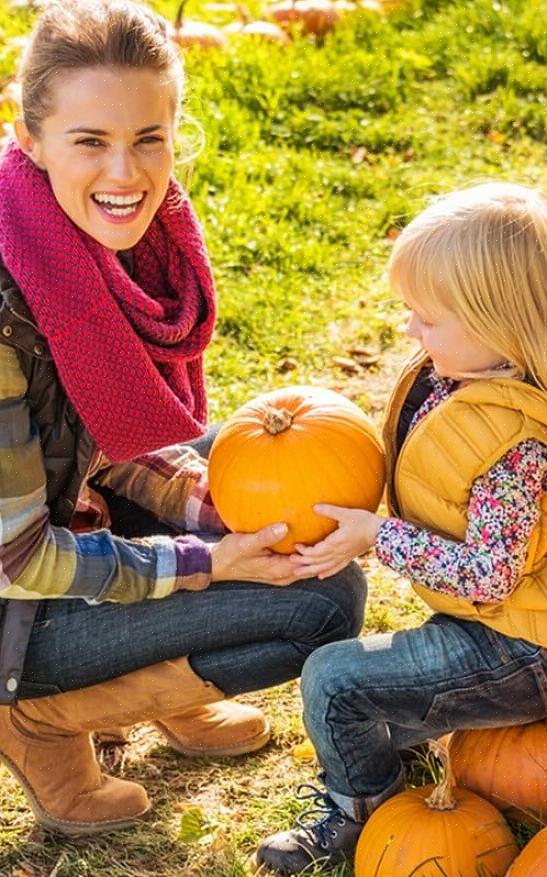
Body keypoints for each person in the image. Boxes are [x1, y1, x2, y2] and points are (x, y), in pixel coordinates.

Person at [0, 0, 365, 837]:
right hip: (12, 593)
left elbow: (103, 438)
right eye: (90, 141)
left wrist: (238, 515)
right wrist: (210, 559)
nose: (126, 173)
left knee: (243, 482)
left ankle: (166, 681)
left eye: (148, 138)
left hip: (55, 511)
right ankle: (35, 719)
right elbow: (17, 557)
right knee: (320, 606)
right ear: (29, 136)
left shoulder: (83, 240)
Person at [254, 181, 547, 874]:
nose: (409, 330)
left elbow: (489, 574)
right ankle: (405, 744)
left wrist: (374, 535)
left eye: (427, 318)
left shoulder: (517, 445)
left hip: (525, 644)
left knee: (335, 680)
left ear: (497, 326)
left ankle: (361, 809)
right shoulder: (462, 376)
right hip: (498, 622)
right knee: (375, 703)